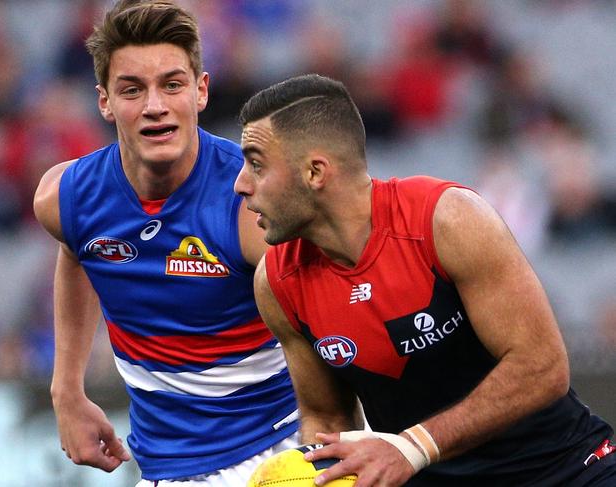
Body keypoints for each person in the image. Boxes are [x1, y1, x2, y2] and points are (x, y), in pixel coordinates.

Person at [234, 73, 616, 486]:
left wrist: (413, 446)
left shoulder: (446, 219)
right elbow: (327, 419)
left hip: (567, 471)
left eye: (256, 164)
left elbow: (542, 367)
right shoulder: (276, 281)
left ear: (315, 172)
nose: (241, 185)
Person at [32, 1, 298, 485]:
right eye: (132, 90)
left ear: (200, 91)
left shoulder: (252, 202)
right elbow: (77, 254)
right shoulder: (65, 198)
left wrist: (334, 436)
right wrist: (67, 390)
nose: (155, 106)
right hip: (165, 468)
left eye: (171, 85)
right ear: (104, 102)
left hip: (279, 451)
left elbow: (328, 322)